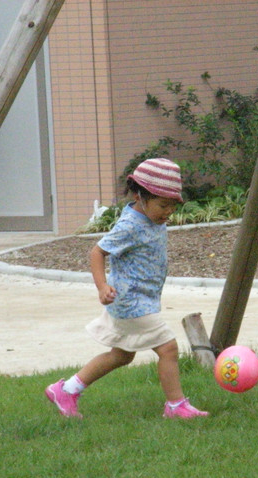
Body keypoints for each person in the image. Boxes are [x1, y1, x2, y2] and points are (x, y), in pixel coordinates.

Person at [45, 158, 209, 419]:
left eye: (172, 206)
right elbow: (97, 252)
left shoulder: (149, 218)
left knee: (121, 355)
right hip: (132, 302)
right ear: (139, 196)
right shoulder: (130, 225)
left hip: (139, 300)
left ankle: (66, 390)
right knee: (168, 348)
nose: (168, 212)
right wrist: (102, 287)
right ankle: (175, 406)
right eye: (163, 205)